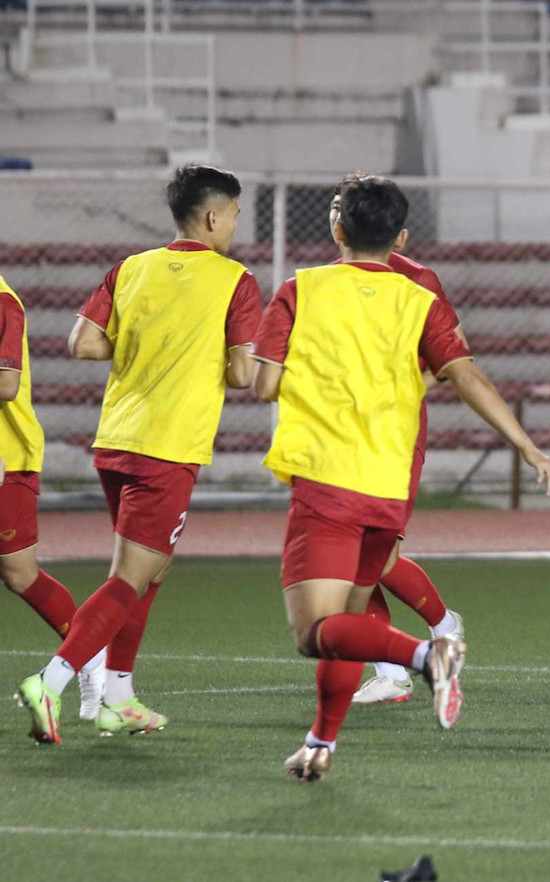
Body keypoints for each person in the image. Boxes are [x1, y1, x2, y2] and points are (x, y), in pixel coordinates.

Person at [251, 174, 550, 782]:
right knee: (351, 614)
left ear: (336, 225)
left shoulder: (302, 289)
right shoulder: (419, 298)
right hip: (390, 483)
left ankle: (428, 653)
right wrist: (529, 447)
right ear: (398, 236)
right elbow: (466, 374)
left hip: (327, 477)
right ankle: (321, 743)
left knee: (314, 631)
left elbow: (262, 383)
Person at [16, 165, 263, 744]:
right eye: (232, 214)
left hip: (117, 440)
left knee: (150, 570)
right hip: (168, 446)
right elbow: (245, 373)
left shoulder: (131, 268)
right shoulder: (236, 281)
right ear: (211, 217)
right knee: (131, 576)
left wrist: (148, 345)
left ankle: (119, 696)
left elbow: (83, 342)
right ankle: (48, 683)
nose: (234, 224)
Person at [298, 186, 465, 708]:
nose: (335, 217)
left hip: (393, 435)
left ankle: (442, 625)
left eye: (341, 209)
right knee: (354, 558)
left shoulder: (417, 279)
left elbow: (452, 360)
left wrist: (394, 393)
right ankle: (393, 672)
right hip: (339, 439)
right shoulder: (327, 282)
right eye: (332, 208)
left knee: (379, 552)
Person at [1, 273, 106, 722]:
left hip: (7, 458)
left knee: (20, 573)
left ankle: (91, 657)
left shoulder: (4, 303)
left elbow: (6, 385)